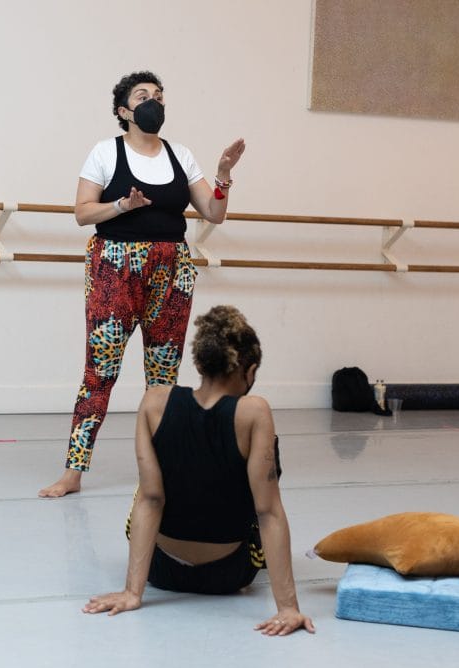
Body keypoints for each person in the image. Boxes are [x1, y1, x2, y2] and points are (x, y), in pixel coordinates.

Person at [40, 71, 245, 497]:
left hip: (172, 269)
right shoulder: (104, 153)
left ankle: (161, 468)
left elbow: (214, 212)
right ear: (123, 111)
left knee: (163, 377)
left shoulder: (180, 155)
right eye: (142, 96)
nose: (153, 102)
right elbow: (82, 213)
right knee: (100, 372)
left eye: (159, 95)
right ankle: (73, 473)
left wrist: (223, 175)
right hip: (114, 267)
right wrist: (122, 205)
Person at [82, 306, 315, 636]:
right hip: (229, 576)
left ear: (201, 362)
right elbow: (268, 512)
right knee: (263, 480)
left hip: (162, 572)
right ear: (248, 371)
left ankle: (136, 586)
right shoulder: (254, 412)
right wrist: (288, 607)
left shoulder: (154, 402)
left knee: (146, 489)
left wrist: (133, 593)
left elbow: (151, 500)